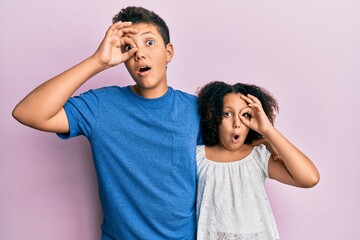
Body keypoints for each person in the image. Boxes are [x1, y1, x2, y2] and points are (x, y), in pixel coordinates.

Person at [12, 6, 202, 239]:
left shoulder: (196, 110)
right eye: (128, 47)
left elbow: (237, 162)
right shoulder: (101, 105)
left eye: (149, 43)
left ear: (169, 52)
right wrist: (97, 61)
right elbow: (27, 112)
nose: (139, 54)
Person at [195, 81, 320, 239]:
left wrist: (267, 132)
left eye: (245, 115)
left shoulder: (257, 157)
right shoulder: (199, 157)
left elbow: (310, 178)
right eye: (227, 114)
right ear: (214, 116)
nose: (237, 124)